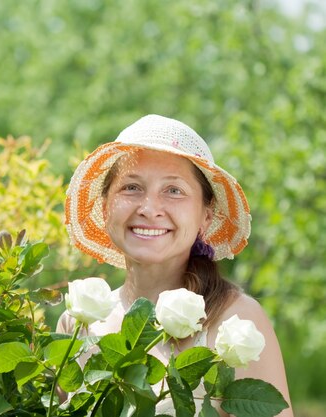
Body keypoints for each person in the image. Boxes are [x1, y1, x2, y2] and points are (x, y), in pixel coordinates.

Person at [57, 114, 293, 416]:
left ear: (205, 216)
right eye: (131, 187)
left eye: (173, 190)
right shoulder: (79, 320)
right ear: (105, 207)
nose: (150, 209)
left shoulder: (236, 322)